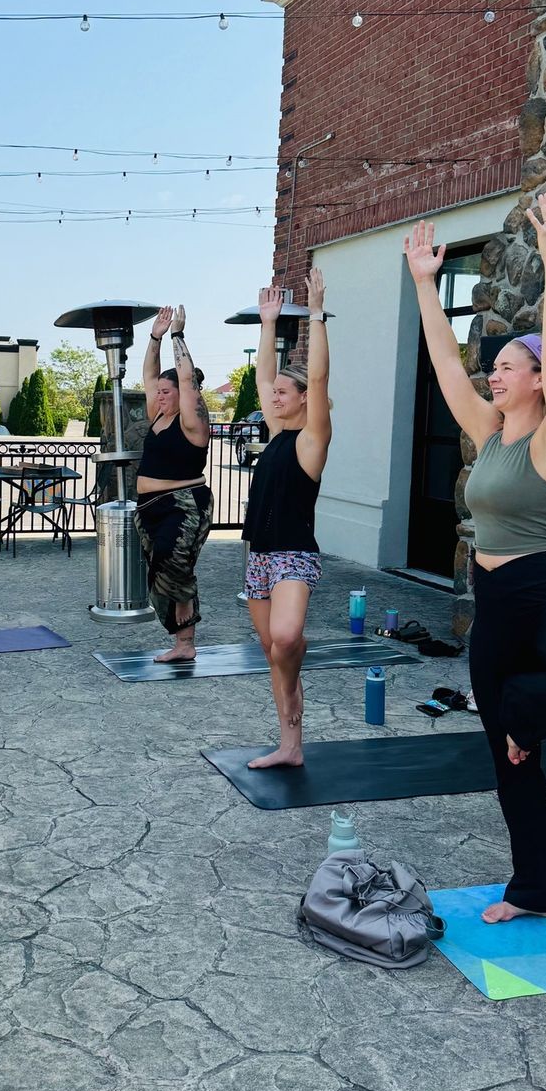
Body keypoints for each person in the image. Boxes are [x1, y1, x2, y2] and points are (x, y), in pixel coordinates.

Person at [404, 194, 546, 924]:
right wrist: (420, 284)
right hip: (494, 603)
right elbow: (444, 363)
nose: (493, 377)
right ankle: (534, 887)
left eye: (507, 368)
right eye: (494, 367)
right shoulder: (490, 430)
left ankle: (526, 713)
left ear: (535, 379)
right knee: (512, 765)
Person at [242, 271, 332, 766]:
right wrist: (267, 323)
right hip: (258, 553)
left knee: (285, 639)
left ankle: (292, 675)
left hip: (294, 555)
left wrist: (316, 314)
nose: (273, 396)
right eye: (273, 392)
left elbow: (317, 377)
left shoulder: (312, 438)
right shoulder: (278, 433)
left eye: (283, 392)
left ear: (301, 399)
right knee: (269, 648)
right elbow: (259, 376)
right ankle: (290, 745)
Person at [134, 304, 214, 662]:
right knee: (159, 574)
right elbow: (150, 374)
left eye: (169, 391)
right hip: (150, 507)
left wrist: (178, 336)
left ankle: (186, 641)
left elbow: (185, 378)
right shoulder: (159, 416)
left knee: (175, 566)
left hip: (183, 504)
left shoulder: (193, 423)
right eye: (159, 392)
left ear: (186, 393)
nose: (160, 395)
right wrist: (155, 337)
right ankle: (182, 643)